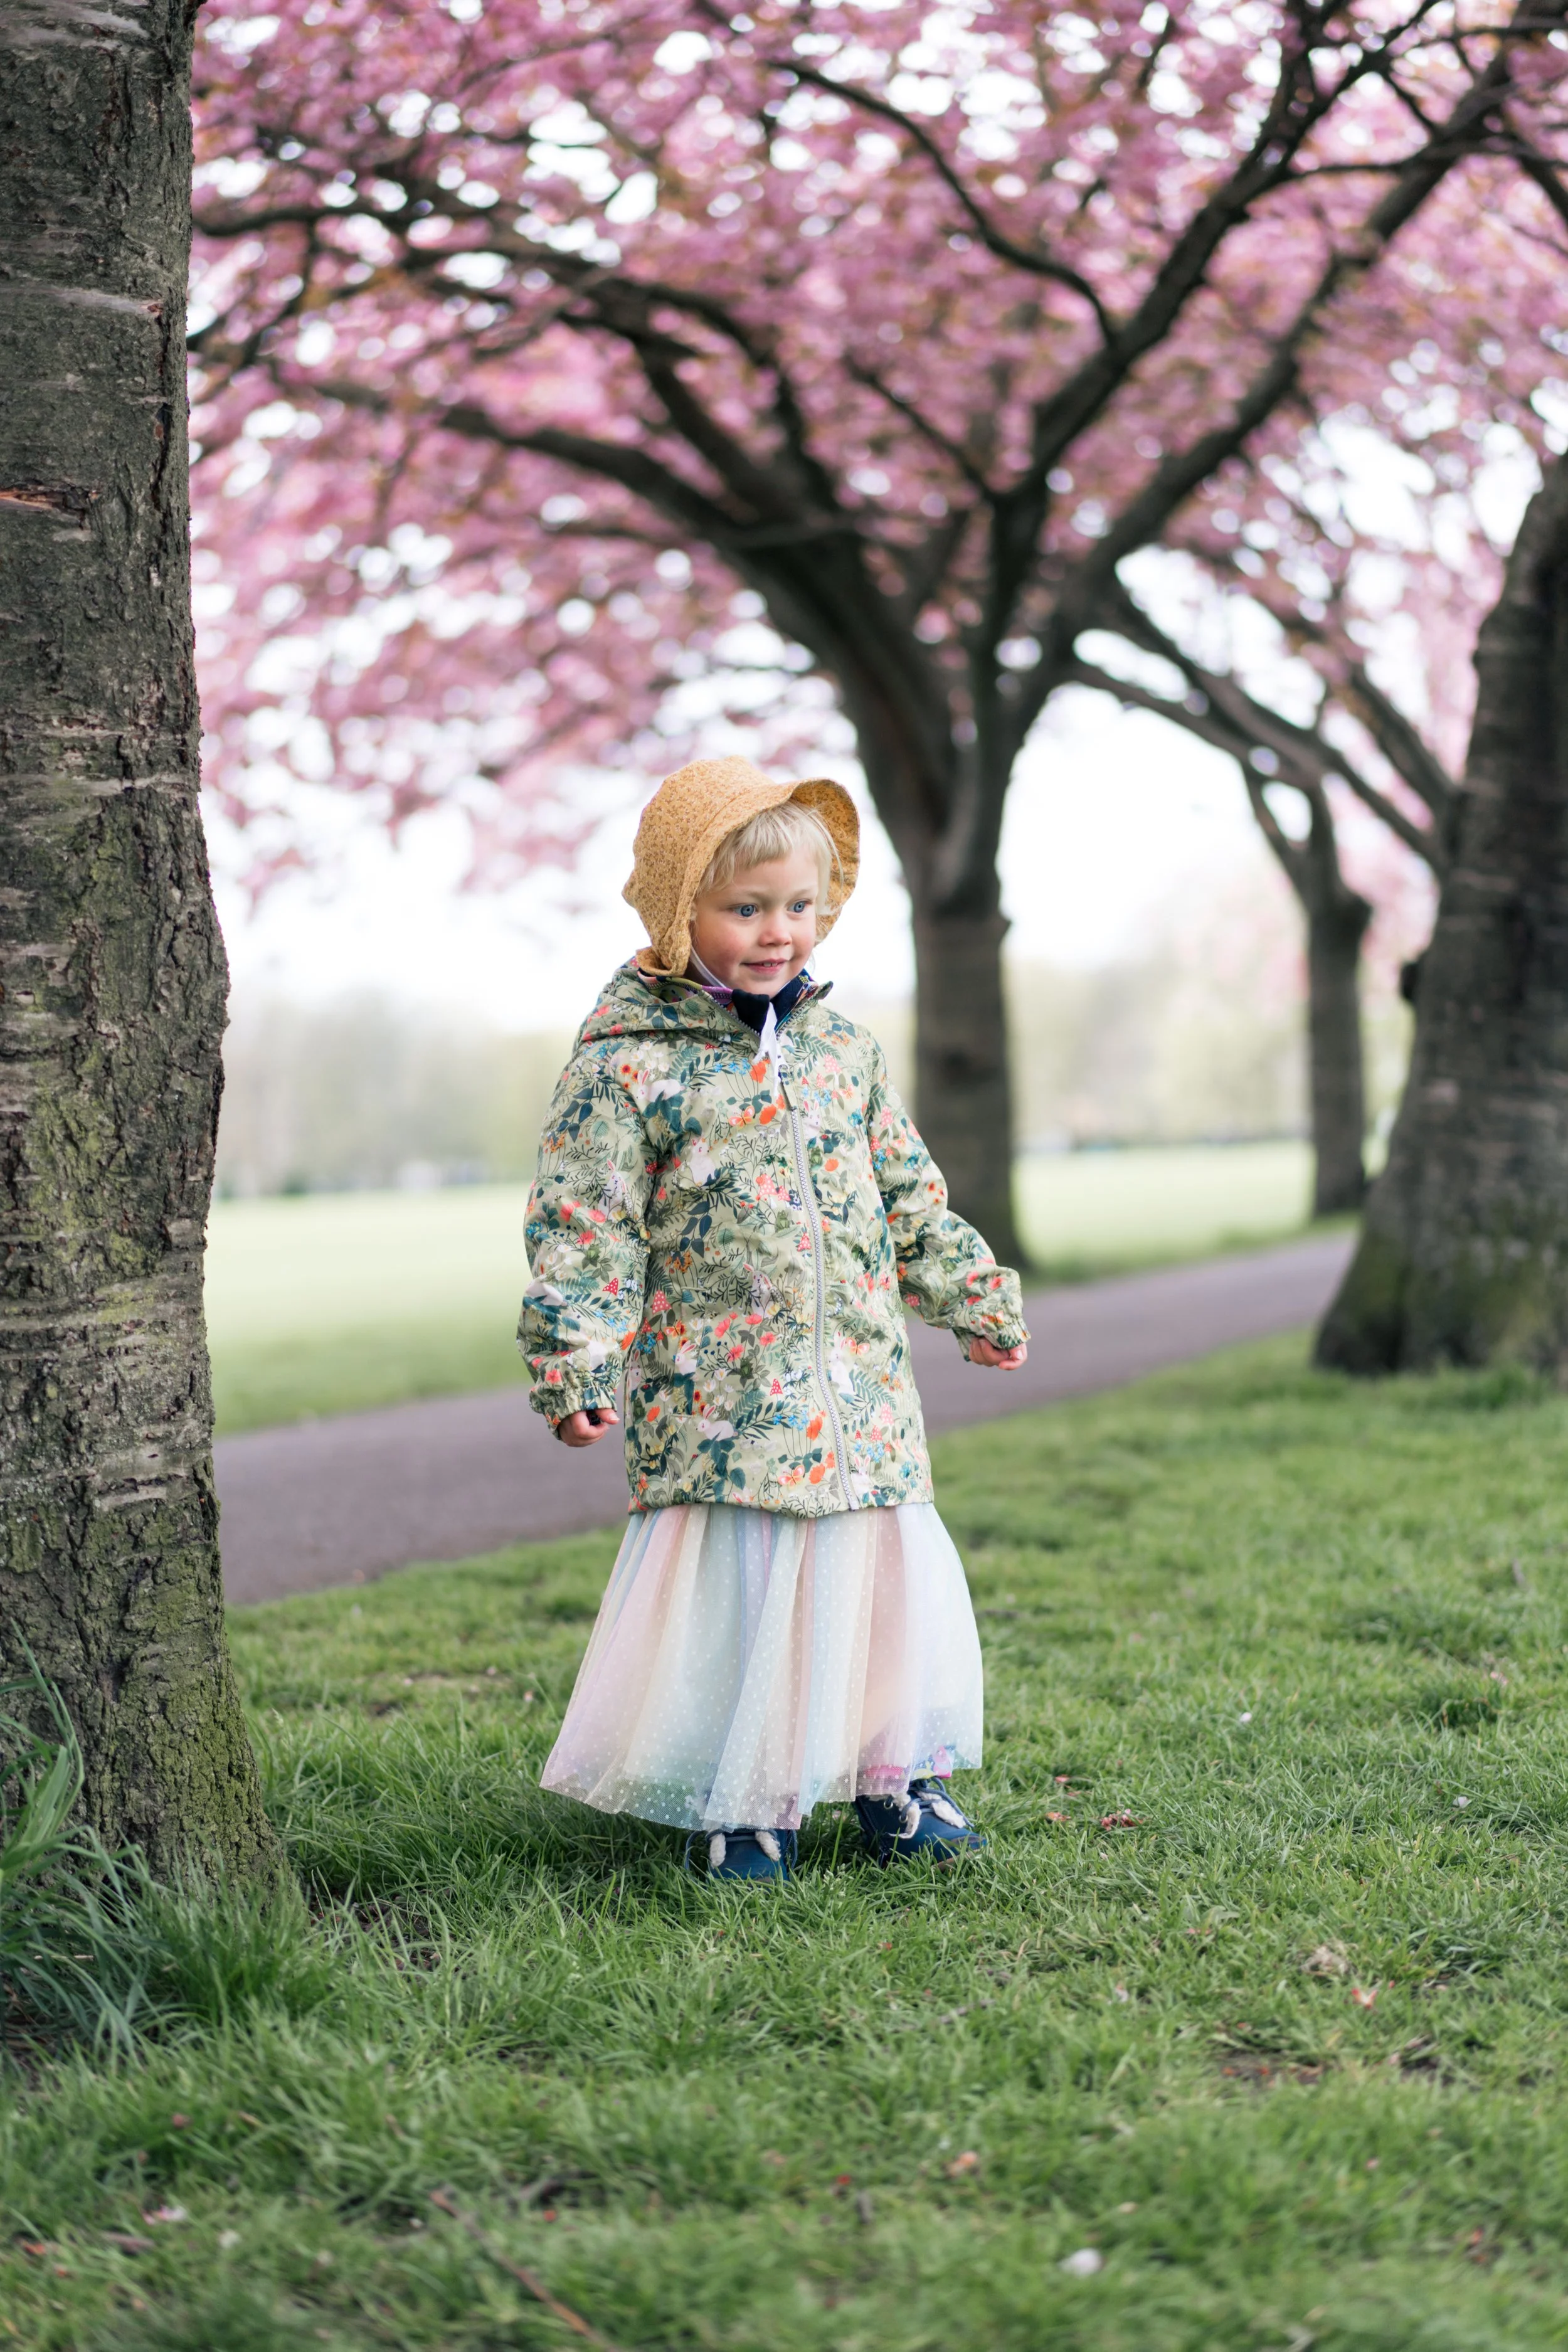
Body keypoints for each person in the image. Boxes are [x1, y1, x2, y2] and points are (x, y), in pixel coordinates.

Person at [519, 756, 1029, 1881]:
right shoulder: (632, 1066)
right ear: (677, 912)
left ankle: (898, 1780)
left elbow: (909, 1195)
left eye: (799, 906)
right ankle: (748, 1798)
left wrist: (973, 1298)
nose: (777, 932)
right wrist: (575, 1362)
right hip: (724, 1401)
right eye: (744, 908)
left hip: (861, 1396)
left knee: (881, 1584)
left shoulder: (842, 1053)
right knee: (751, 1601)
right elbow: (585, 1223)